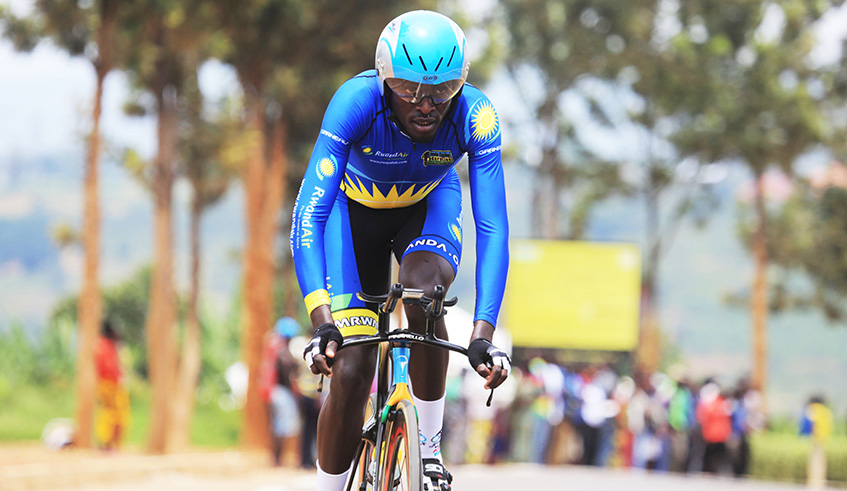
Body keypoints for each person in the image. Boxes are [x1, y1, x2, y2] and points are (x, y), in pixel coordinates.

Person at [290, 10, 511, 491]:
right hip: (353, 216)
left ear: (461, 84)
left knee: (424, 297)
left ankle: (428, 453)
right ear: (386, 79)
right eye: (409, 88)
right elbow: (310, 216)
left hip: (427, 205)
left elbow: (492, 227)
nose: (426, 104)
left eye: (442, 90)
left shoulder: (478, 115)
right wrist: (322, 321)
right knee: (351, 368)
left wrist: (482, 333)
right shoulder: (355, 100)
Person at [260, 316, 302, 467]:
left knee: (277, 426)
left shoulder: (272, 347)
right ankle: (278, 460)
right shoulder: (281, 349)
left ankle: (277, 459)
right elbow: (286, 370)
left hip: (272, 391)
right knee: (284, 427)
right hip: (281, 391)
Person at [94, 320, 130, 451]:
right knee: (109, 413)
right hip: (107, 384)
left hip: (114, 384)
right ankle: (106, 443)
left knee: (119, 414)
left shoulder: (112, 346)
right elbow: (107, 367)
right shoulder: (101, 345)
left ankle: (113, 443)